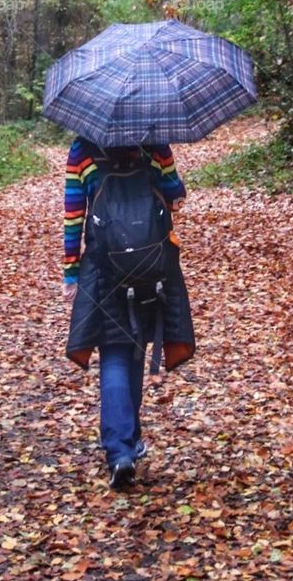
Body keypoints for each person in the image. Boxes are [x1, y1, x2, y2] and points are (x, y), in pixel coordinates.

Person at [62, 136, 196, 489]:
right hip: (152, 264)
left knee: (114, 351)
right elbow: (174, 193)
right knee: (136, 347)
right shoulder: (155, 145)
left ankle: (120, 450)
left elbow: (74, 212)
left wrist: (71, 271)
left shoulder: (82, 150)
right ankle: (129, 441)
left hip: (104, 266)